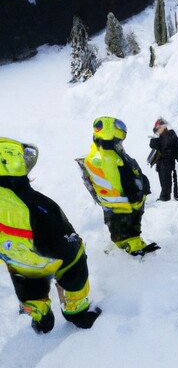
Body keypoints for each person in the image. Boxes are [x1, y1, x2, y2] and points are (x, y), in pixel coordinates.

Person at [0, 137, 101, 333]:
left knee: (28, 288)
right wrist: (75, 250)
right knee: (74, 266)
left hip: (17, 260)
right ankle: (77, 314)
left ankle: (41, 320)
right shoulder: (38, 205)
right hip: (48, 257)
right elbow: (65, 243)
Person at [81, 117, 159, 256]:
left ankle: (125, 245)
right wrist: (137, 192)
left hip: (116, 205)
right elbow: (123, 178)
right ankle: (129, 248)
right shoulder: (110, 157)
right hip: (124, 204)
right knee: (127, 227)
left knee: (122, 227)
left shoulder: (100, 154)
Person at [149, 117, 178, 201]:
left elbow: (166, 144)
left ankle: (166, 197)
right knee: (164, 179)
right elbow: (152, 144)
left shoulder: (170, 134)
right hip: (162, 161)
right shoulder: (161, 136)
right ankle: (167, 196)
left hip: (167, 161)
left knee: (167, 180)